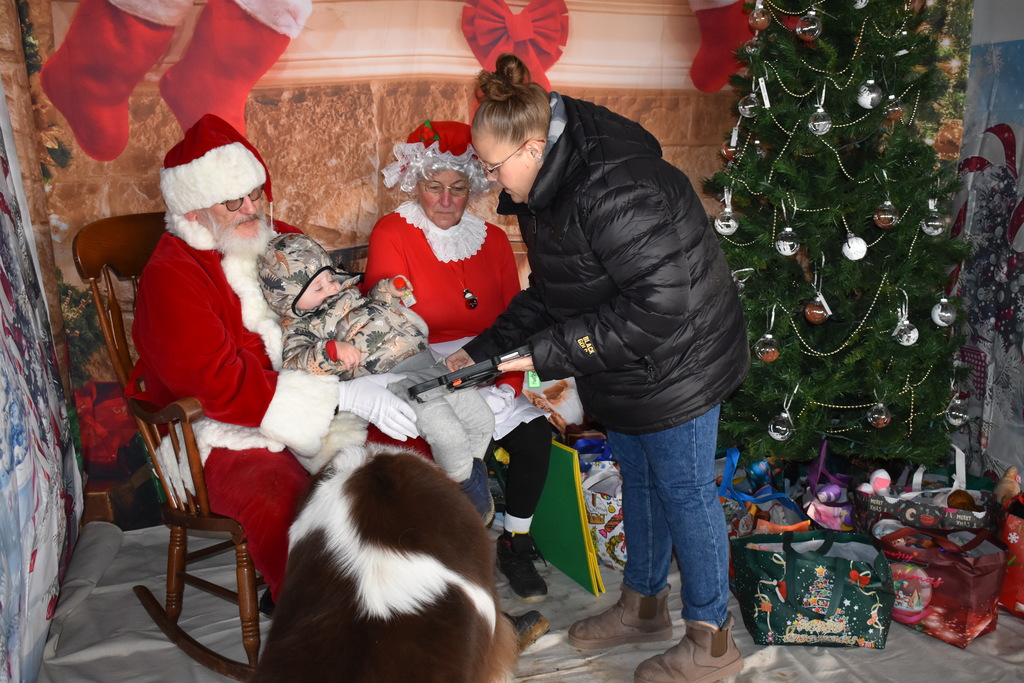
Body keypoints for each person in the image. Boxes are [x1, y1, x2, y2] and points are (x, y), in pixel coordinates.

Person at [446, 54, 751, 682]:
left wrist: (548, 353)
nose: (488, 179)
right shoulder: (547, 183)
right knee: (638, 478)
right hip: (625, 360)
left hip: (680, 359)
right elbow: (554, 291)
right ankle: (643, 606)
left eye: (491, 166)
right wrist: (481, 351)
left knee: (686, 491)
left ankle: (713, 640)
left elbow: (661, 306)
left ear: (533, 145)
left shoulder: (614, 188)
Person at [128, 113, 418, 611]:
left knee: (407, 457)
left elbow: (332, 308)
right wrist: (339, 393)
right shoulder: (170, 275)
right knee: (283, 506)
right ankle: (327, 635)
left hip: (313, 394)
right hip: (217, 428)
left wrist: (375, 343)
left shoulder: (279, 238)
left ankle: (421, 606)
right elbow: (213, 385)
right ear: (195, 211)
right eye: (232, 201)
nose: (251, 209)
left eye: (255, 194)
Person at [362, 119, 554, 603]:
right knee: (447, 438)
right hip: (416, 361)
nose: (446, 200)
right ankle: (447, 557)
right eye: (434, 187)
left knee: (535, 434)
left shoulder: (490, 239)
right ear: (416, 184)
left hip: (488, 359)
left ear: (474, 187)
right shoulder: (393, 231)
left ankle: (516, 540)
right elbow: (390, 329)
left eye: (458, 188)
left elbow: (517, 318)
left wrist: (506, 384)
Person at [256, 232, 495, 521]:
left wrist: (388, 290)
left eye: (330, 277)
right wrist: (331, 351)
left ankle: (470, 474)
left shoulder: (344, 292)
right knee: (446, 430)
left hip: (428, 360)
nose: (331, 287)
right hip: (395, 378)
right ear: (290, 302)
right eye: (318, 287)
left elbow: (373, 307)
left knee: (482, 418)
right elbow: (297, 362)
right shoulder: (301, 328)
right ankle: (463, 493)